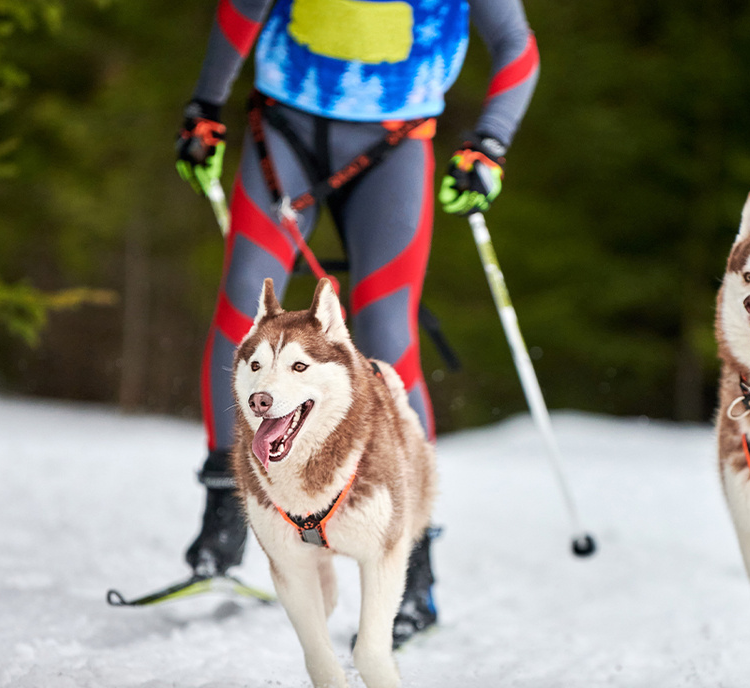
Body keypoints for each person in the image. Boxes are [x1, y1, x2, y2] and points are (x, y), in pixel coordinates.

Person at [174, 0, 539, 645]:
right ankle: (226, 514)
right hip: (280, 132)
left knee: (387, 342)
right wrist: (206, 105)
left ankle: (414, 562)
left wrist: (490, 144)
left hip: (396, 144)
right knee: (242, 310)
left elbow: (515, 44)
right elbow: (243, 7)